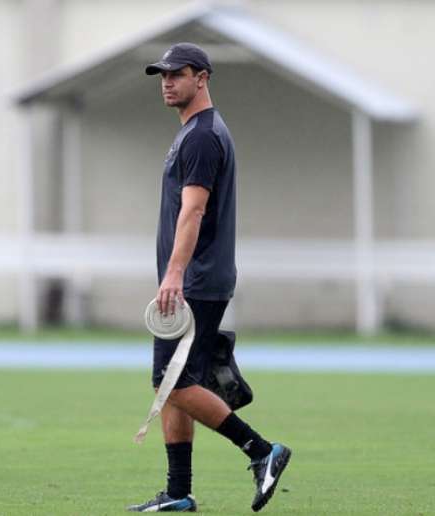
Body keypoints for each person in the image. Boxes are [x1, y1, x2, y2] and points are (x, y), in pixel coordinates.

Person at [127, 42, 291, 513]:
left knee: (170, 380)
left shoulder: (201, 136)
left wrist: (175, 273)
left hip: (196, 279)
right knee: (178, 378)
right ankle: (179, 493)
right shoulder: (195, 133)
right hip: (196, 278)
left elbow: (194, 209)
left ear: (202, 78)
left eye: (176, 74)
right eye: (162, 75)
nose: (167, 82)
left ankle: (262, 451)